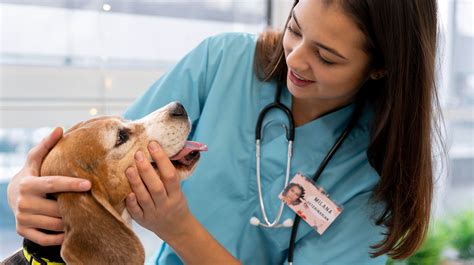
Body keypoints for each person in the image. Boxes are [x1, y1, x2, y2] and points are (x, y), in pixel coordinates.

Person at [7, 0, 442, 264]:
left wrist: (178, 228)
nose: (296, 59)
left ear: (381, 68)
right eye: (294, 29)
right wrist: (26, 188)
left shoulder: (374, 175)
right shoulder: (224, 62)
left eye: (326, 57)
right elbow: (100, 160)